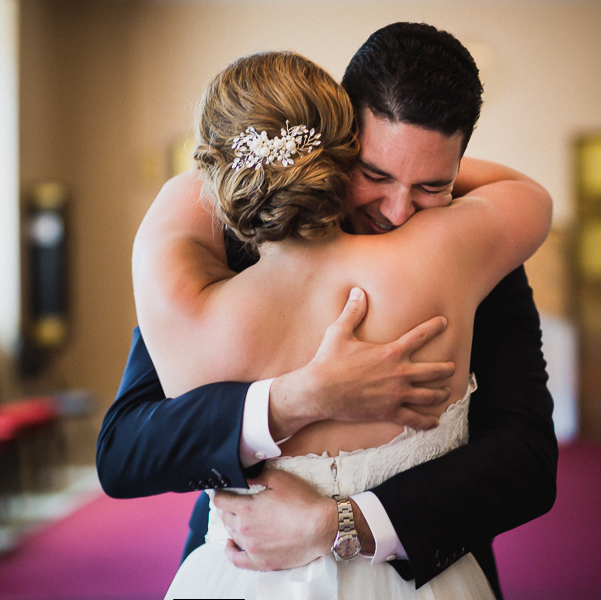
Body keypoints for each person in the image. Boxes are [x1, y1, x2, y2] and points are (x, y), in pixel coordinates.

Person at [97, 23, 557, 599]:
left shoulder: (480, 254)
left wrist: (338, 524)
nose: (396, 211)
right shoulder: (227, 235)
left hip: (424, 564)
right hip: (242, 563)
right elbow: (125, 449)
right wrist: (298, 398)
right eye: (375, 174)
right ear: (338, 141)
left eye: (432, 185)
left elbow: (527, 461)